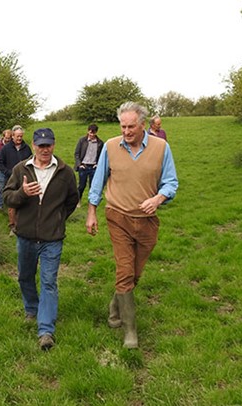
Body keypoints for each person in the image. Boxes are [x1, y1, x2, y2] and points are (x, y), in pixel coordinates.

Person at [86, 102, 179, 349]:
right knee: (125, 270)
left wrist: (159, 198)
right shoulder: (110, 147)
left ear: (142, 125)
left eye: (131, 126)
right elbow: (98, 180)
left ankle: (115, 305)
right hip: (118, 217)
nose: (126, 132)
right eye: (123, 126)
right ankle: (130, 331)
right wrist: (92, 211)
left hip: (147, 221)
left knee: (135, 274)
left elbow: (171, 183)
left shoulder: (161, 148)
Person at [2, 128, 78, 351]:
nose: (45, 149)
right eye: (40, 145)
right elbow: (7, 197)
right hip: (25, 236)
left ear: (54, 145)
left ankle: (45, 330)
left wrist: (57, 218)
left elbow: (72, 200)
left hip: (51, 238)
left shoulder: (65, 172)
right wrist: (23, 193)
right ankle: (32, 308)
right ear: (33, 145)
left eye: (48, 145)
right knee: (25, 277)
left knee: (48, 282)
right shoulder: (20, 169)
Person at [0, 125, 32, 232]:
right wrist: (8, 172)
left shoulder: (27, 148)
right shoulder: (6, 149)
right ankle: (12, 226)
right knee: (12, 202)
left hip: (24, 179)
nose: (19, 138)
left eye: (21, 136)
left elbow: (31, 162)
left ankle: (23, 224)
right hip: (10, 179)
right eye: (17, 136)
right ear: (12, 136)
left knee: (24, 201)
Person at [74, 124, 105, 202]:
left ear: (96, 132)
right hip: (83, 166)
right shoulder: (82, 141)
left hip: (93, 167)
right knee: (81, 186)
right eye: (90, 132)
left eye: (93, 133)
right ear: (88, 131)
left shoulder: (100, 143)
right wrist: (79, 164)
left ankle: (91, 202)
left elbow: (102, 155)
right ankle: (78, 200)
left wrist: (97, 164)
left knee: (92, 186)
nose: (91, 135)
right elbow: (77, 153)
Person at [0, 129, 13, 211]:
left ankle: (8, 204)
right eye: (6, 138)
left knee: (9, 186)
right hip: (0, 169)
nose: (7, 140)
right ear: (3, 137)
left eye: (9, 138)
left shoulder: (13, 145)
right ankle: (0, 205)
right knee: (0, 187)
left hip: (9, 169)